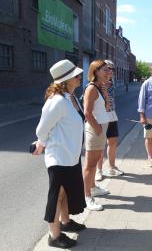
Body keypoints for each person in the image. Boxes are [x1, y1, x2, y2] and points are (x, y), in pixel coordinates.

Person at [33, 59, 86, 248]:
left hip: (71, 155)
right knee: (57, 195)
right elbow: (42, 129)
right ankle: (54, 235)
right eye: (76, 75)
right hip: (59, 157)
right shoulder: (56, 102)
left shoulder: (71, 97)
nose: (80, 77)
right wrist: (42, 143)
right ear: (66, 79)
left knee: (65, 193)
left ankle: (66, 222)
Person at [83, 60, 111, 211]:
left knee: (95, 162)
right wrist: (98, 130)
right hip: (95, 130)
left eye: (108, 70)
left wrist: (105, 91)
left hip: (101, 128)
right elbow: (87, 112)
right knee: (90, 164)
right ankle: (87, 197)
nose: (108, 72)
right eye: (105, 70)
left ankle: (92, 187)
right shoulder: (92, 88)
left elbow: (107, 108)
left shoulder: (100, 87)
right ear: (96, 71)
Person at [95, 60, 124, 182]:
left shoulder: (112, 84)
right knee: (100, 145)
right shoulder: (96, 85)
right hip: (101, 118)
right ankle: (99, 170)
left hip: (111, 116)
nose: (110, 71)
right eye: (107, 69)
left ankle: (111, 167)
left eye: (112, 69)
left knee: (112, 143)